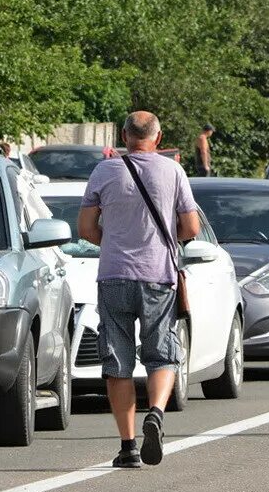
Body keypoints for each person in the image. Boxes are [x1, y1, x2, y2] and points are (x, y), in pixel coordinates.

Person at [78, 111, 199, 469]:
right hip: (158, 276)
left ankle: (128, 446)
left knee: (117, 361)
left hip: (113, 274)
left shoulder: (104, 171)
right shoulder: (173, 171)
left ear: (124, 135)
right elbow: (190, 225)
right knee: (161, 353)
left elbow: (85, 229)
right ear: (158, 139)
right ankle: (157, 413)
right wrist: (161, 244)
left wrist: (114, 241)